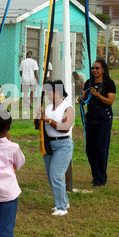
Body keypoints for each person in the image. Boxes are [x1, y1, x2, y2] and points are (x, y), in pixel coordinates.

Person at [78, 59, 116, 187]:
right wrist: (81, 99)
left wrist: (97, 95)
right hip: (91, 117)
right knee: (90, 148)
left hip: (104, 118)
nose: (94, 70)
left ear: (103, 70)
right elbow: (84, 97)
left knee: (100, 148)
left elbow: (110, 102)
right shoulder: (89, 83)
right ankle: (95, 175)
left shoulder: (109, 84)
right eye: (93, 68)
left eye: (97, 68)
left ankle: (100, 178)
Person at [40, 80, 75, 216]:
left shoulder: (68, 108)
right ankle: (64, 202)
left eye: (50, 92)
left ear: (58, 92)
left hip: (63, 145)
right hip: (49, 145)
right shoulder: (49, 108)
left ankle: (61, 208)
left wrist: (48, 120)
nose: (48, 95)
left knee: (56, 175)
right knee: (51, 177)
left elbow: (65, 128)